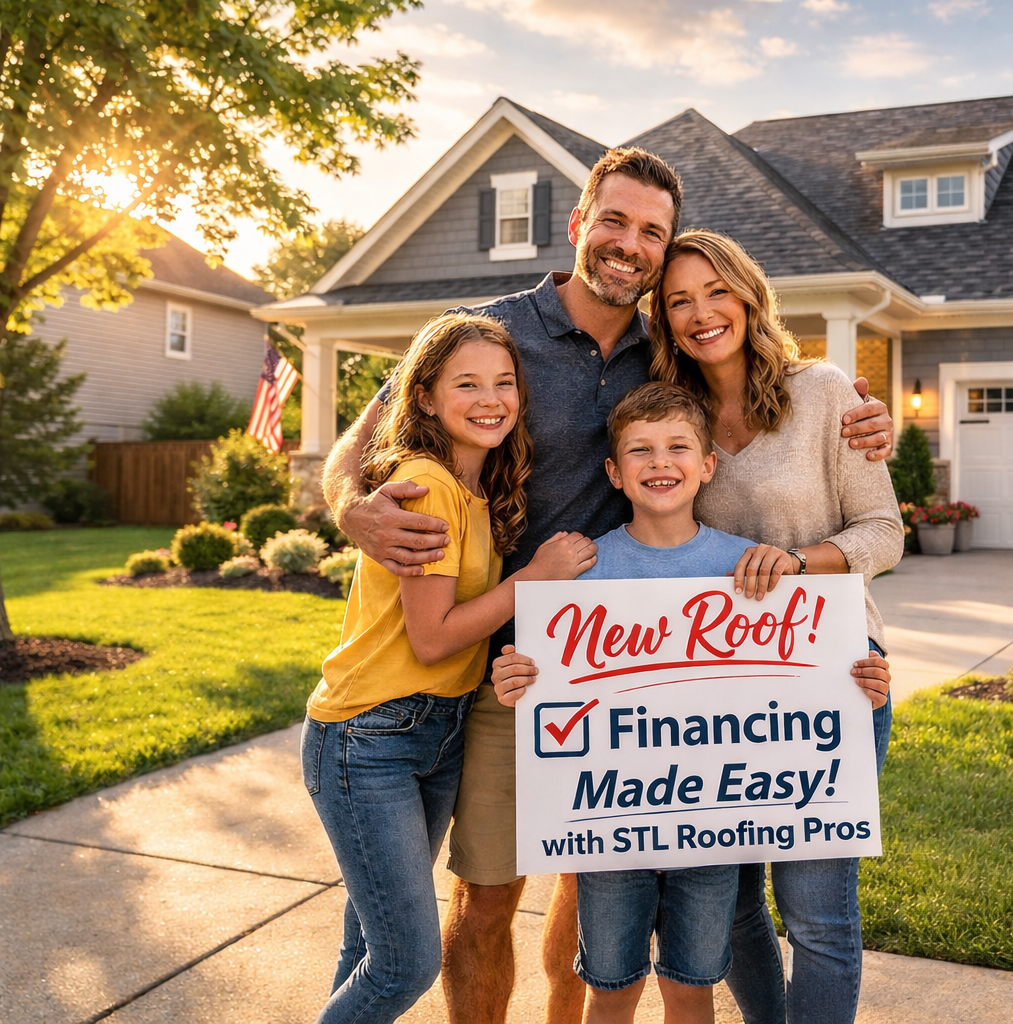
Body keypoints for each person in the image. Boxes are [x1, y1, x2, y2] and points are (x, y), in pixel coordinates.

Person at [320, 147, 896, 1024]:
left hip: (632, 671)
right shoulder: (488, 331)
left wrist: (863, 415)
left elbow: (788, 436)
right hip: (505, 661)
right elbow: (358, 450)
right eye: (616, 221)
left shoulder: (667, 359)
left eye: (652, 233)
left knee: (590, 889)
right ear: (578, 222)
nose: (631, 243)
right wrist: (352, 506)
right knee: (484, 897)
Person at [555, 381, 893, 1024]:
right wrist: (521, 678)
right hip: (610, 829)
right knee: (610, 983)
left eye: (679, 447)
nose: (660, 463)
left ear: (708, 466)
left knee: (694, 979)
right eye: (641, 451)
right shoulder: (583, 577)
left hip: (712, 830)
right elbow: (551, 690)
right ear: (613, 472)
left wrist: (857, 686)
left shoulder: (752, 568)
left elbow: (812, 666)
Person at [650, 229, 904, 1024]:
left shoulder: (823, 391)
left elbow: (884, 532)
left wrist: (797, 562)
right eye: (680, 300)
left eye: (716, 291)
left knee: (817, 912)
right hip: (713, 689)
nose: (701, 313)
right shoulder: (669, 413)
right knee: (728, 907)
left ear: (749, 294)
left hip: (831, 673)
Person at [300, 313, 579, 1024]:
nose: (491, 399)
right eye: (467, 384)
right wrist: (537, 578)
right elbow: (434, 638)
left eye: (504, 383)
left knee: (367, 945)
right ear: (423, 396)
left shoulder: (474, 485)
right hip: (372, 739)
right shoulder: (426, 485)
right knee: (404, 964)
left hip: (433, 731)